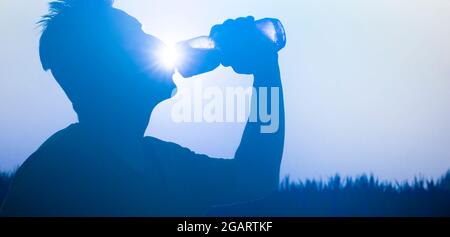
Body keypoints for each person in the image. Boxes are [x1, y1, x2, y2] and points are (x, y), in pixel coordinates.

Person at [0, 0, 285, 216]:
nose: (158, 43)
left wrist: (265, 69)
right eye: (139, 36)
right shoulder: (54, 176)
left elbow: (256, 176)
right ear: (107, 68)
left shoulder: (163, 163)